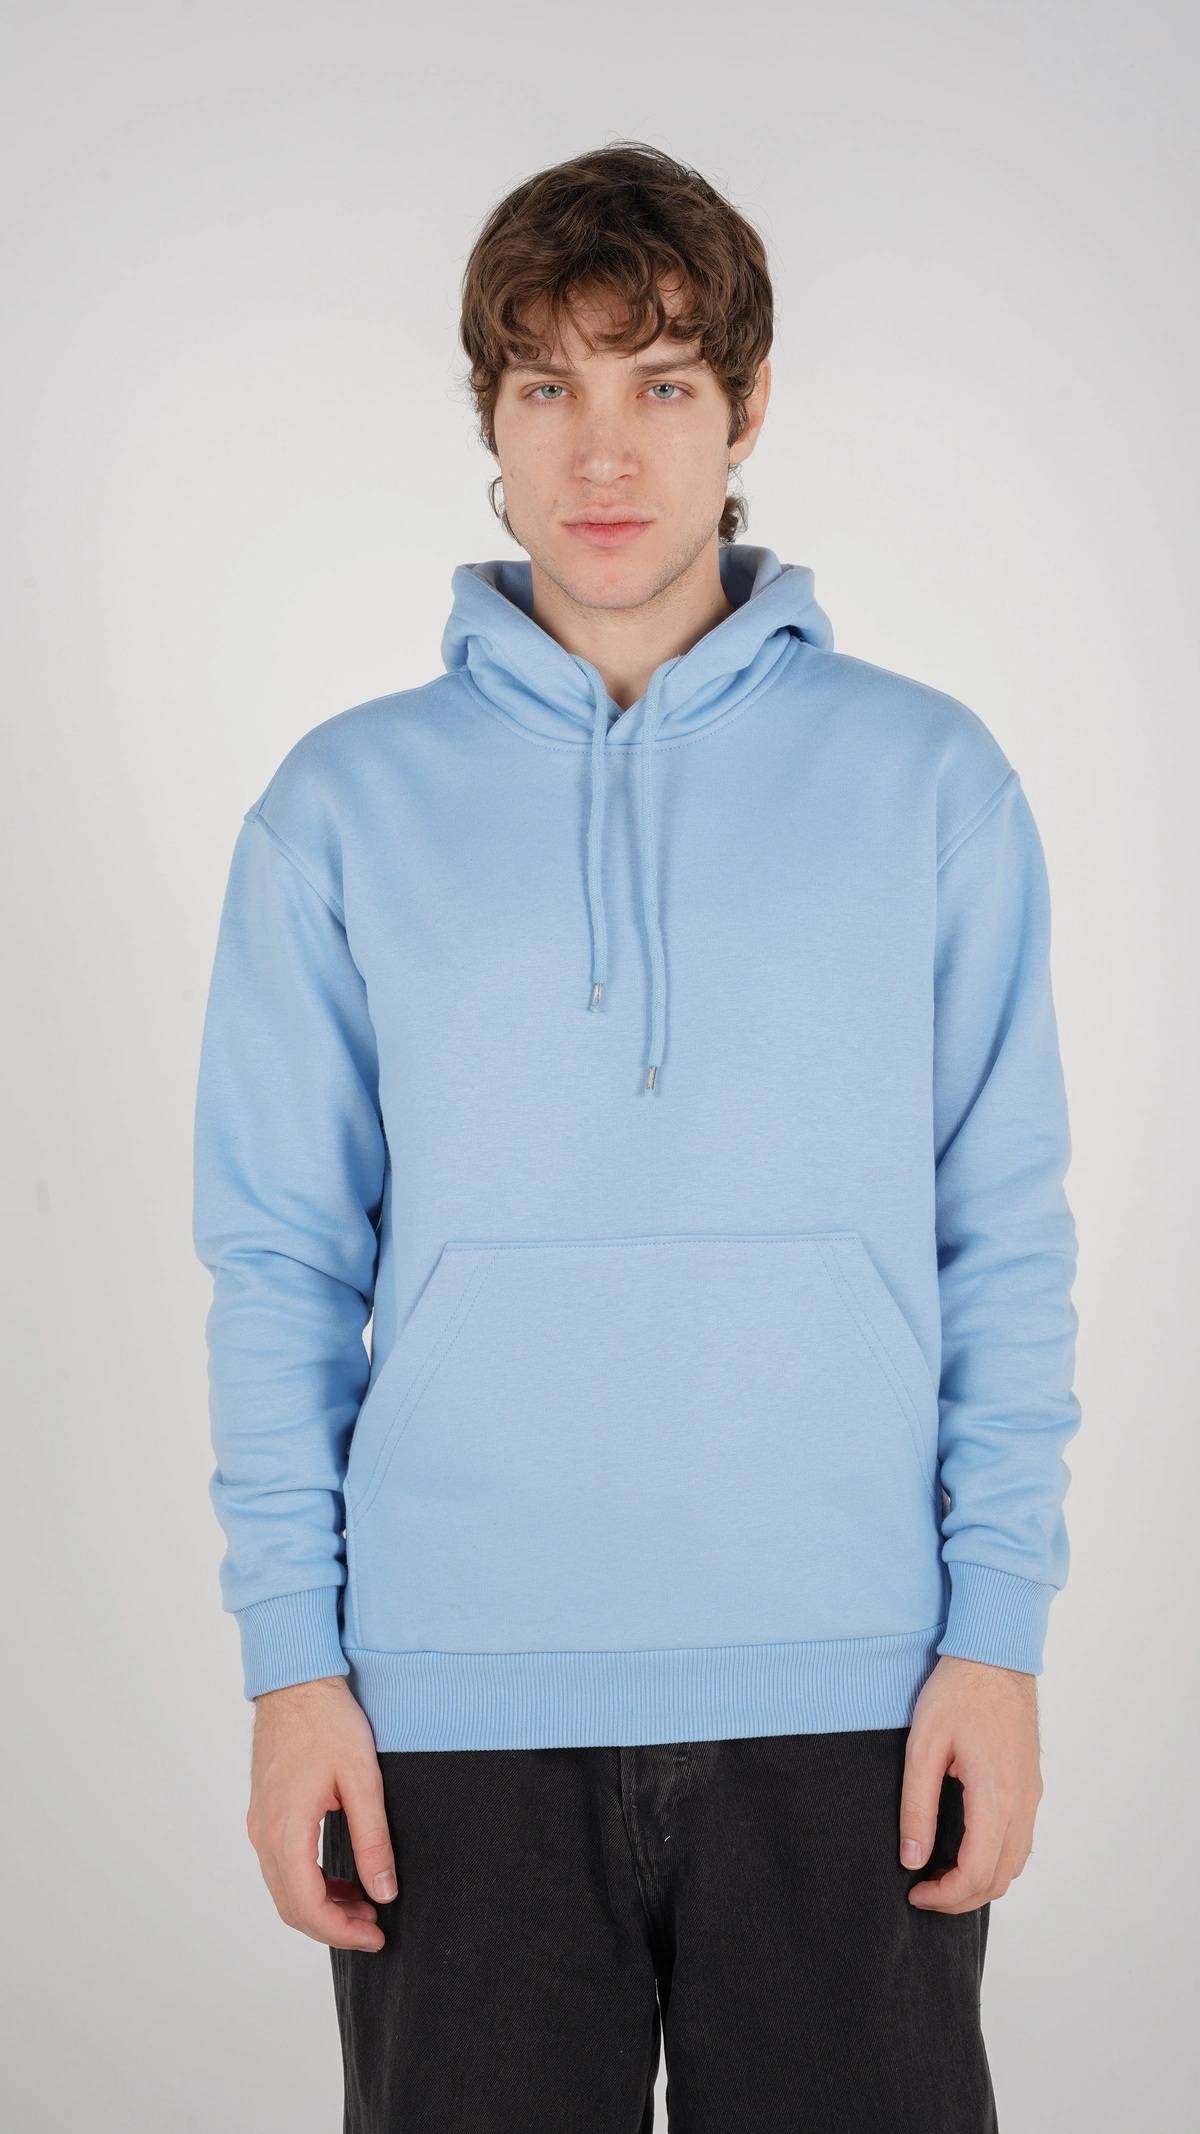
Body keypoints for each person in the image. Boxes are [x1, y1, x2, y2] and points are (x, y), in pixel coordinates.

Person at [193, 143, 1081, 2132]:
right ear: (490, 418)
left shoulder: (930, 782)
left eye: (661, 383)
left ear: (745, 409)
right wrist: (291, 1668)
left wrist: (999, 1638)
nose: (603, 453)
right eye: (548, 386)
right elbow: (279, 1260)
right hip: (450, 1709)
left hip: (857, 1696)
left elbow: (1004, 1231)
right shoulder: (339, 808)